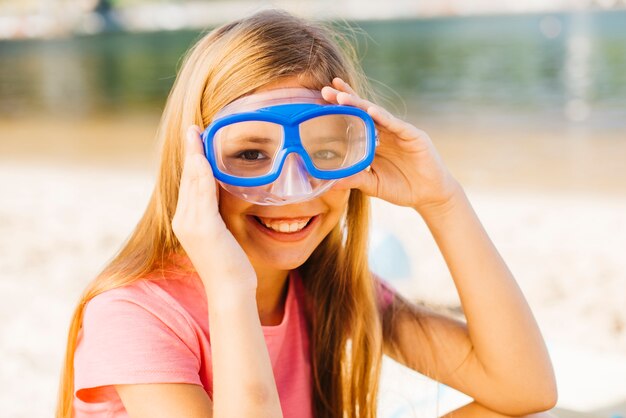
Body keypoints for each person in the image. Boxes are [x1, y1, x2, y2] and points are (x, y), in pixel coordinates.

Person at [55, 9, 558, 418]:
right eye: (252, 154)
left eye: (324, 153)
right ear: (192, 164)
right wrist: (231, 289)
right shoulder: (134, 316)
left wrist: (443, 201)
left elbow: (524, 389)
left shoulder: (330, 290)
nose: (293, 190)